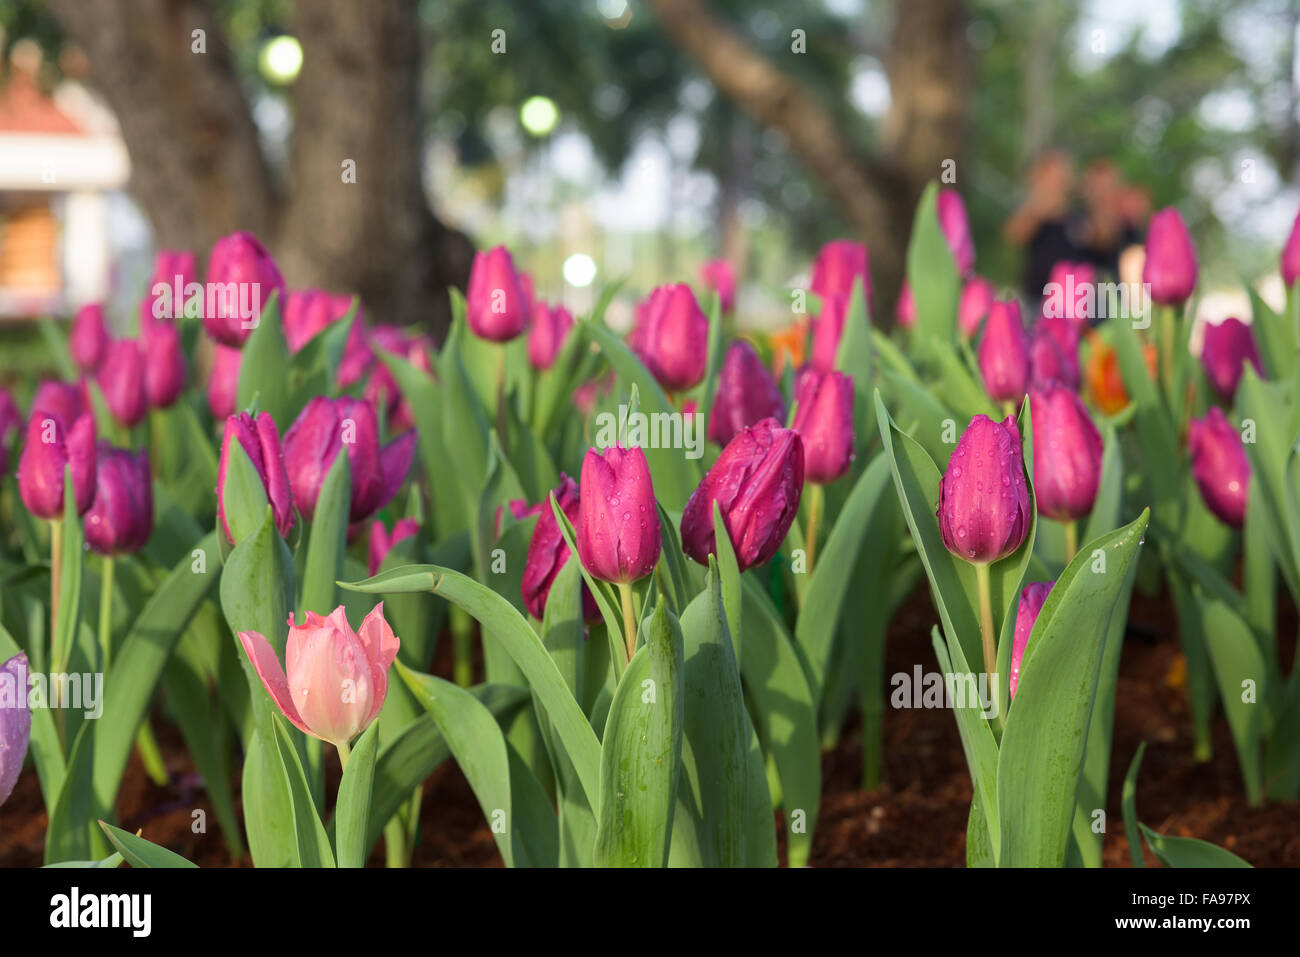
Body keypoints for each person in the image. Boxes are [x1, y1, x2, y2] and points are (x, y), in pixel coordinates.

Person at [1003, 149, 1087, 302]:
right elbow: (1013, 235)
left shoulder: (1078, 214)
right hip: (1036, 296)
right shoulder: (1033, 211)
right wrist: (1040, 208)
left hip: (1071, 299)